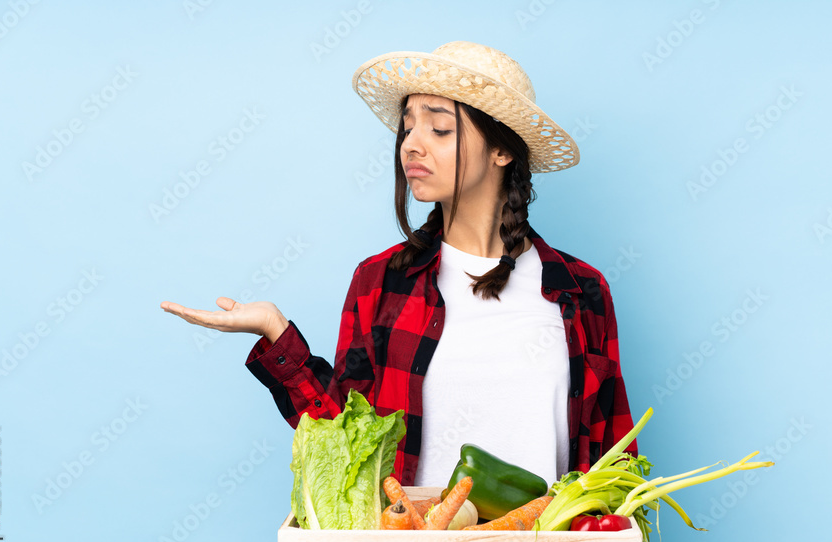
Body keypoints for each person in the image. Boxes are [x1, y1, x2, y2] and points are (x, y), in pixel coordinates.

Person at [161, 41, 637, 488]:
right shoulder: (381, 283)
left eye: (440, 128)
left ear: (502, 149)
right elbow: (350, 445)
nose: (411, 143)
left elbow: (616, 460)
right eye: (408, 126)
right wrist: (275, 332)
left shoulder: (580, 290)